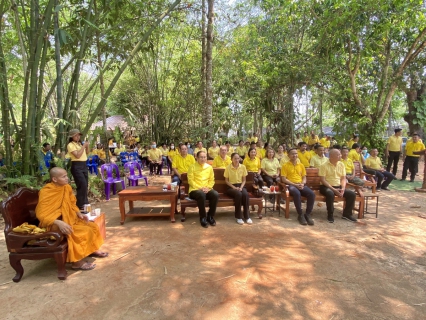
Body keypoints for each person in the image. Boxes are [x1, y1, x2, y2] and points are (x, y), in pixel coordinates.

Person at [35, 167, 107, 270]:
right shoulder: (46, 191)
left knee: (92, 226)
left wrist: (79, 214)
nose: (67, 178)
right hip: (53, 224)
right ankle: (76, 262)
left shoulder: (66, 187)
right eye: (63, 176)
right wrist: (58, 222)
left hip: (69, 219)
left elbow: (72, 203)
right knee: (79, 232)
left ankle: (92, 250)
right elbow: (41, 214)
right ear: (54, 179)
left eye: (66, 176)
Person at [319, 149, 357, 223]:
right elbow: (323, 180)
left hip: (338, 186)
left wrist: (342, 188)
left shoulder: (341, 164)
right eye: (338, 154)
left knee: (352, 194)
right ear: (331, 156)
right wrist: (333, 189)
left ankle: (346, 214)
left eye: (340, 154)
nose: (340, 156)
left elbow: (343, 178)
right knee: (330, 193)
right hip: (326, 187)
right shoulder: (323, 165)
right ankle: (330, 214)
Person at [281, 148, 316, 225]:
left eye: (296, 153)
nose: (295, 155)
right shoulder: (285, 165)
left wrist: (302, 184)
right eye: (292, 154)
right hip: (291, 185)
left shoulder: (301, 165)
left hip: (300, 184)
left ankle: (307, 214)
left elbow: (304, 177)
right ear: (288, 155)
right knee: (297, 193)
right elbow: (284, 179)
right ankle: (300, 214)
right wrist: (295, 185)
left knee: (311, 194)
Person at [188, 151, 219, 228]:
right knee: (201, 195)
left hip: (206, 189)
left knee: (215, 194)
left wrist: (207, 188)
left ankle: (210, 216)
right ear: (197, 158)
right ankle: (203, 217)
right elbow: (190, 180)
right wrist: (200, 188)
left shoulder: (209, 167)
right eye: (201, 157)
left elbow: (212, 180)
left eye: (204, 157)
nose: (203, 159)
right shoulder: (192, 167)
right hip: (194, 190)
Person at [224, 153, 252, 225]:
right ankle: (238, 217)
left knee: (245, 194)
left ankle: (247, 216)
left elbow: (244, 180)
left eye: (238, 158)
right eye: (235, 158)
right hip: (231, 187)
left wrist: (241, 187)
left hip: (241, 186)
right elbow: (226, 181)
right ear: (231, 159)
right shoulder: (228, 167)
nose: (237, 160)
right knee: (239, 194)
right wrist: (234, 188)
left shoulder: (243, 167)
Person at [67, 129, 89, 210]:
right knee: (81, 185)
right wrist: (83, 146)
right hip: (77, 166)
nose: (78, 137)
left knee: (85, 185)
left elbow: (87, 152)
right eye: (76, 135)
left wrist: (86, 146)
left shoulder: (79, 144)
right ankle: (80, 205)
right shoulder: (70, 145)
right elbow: (78, 156)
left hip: (84, 165)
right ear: (72, 136)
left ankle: (85, 203)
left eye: (79, 135)